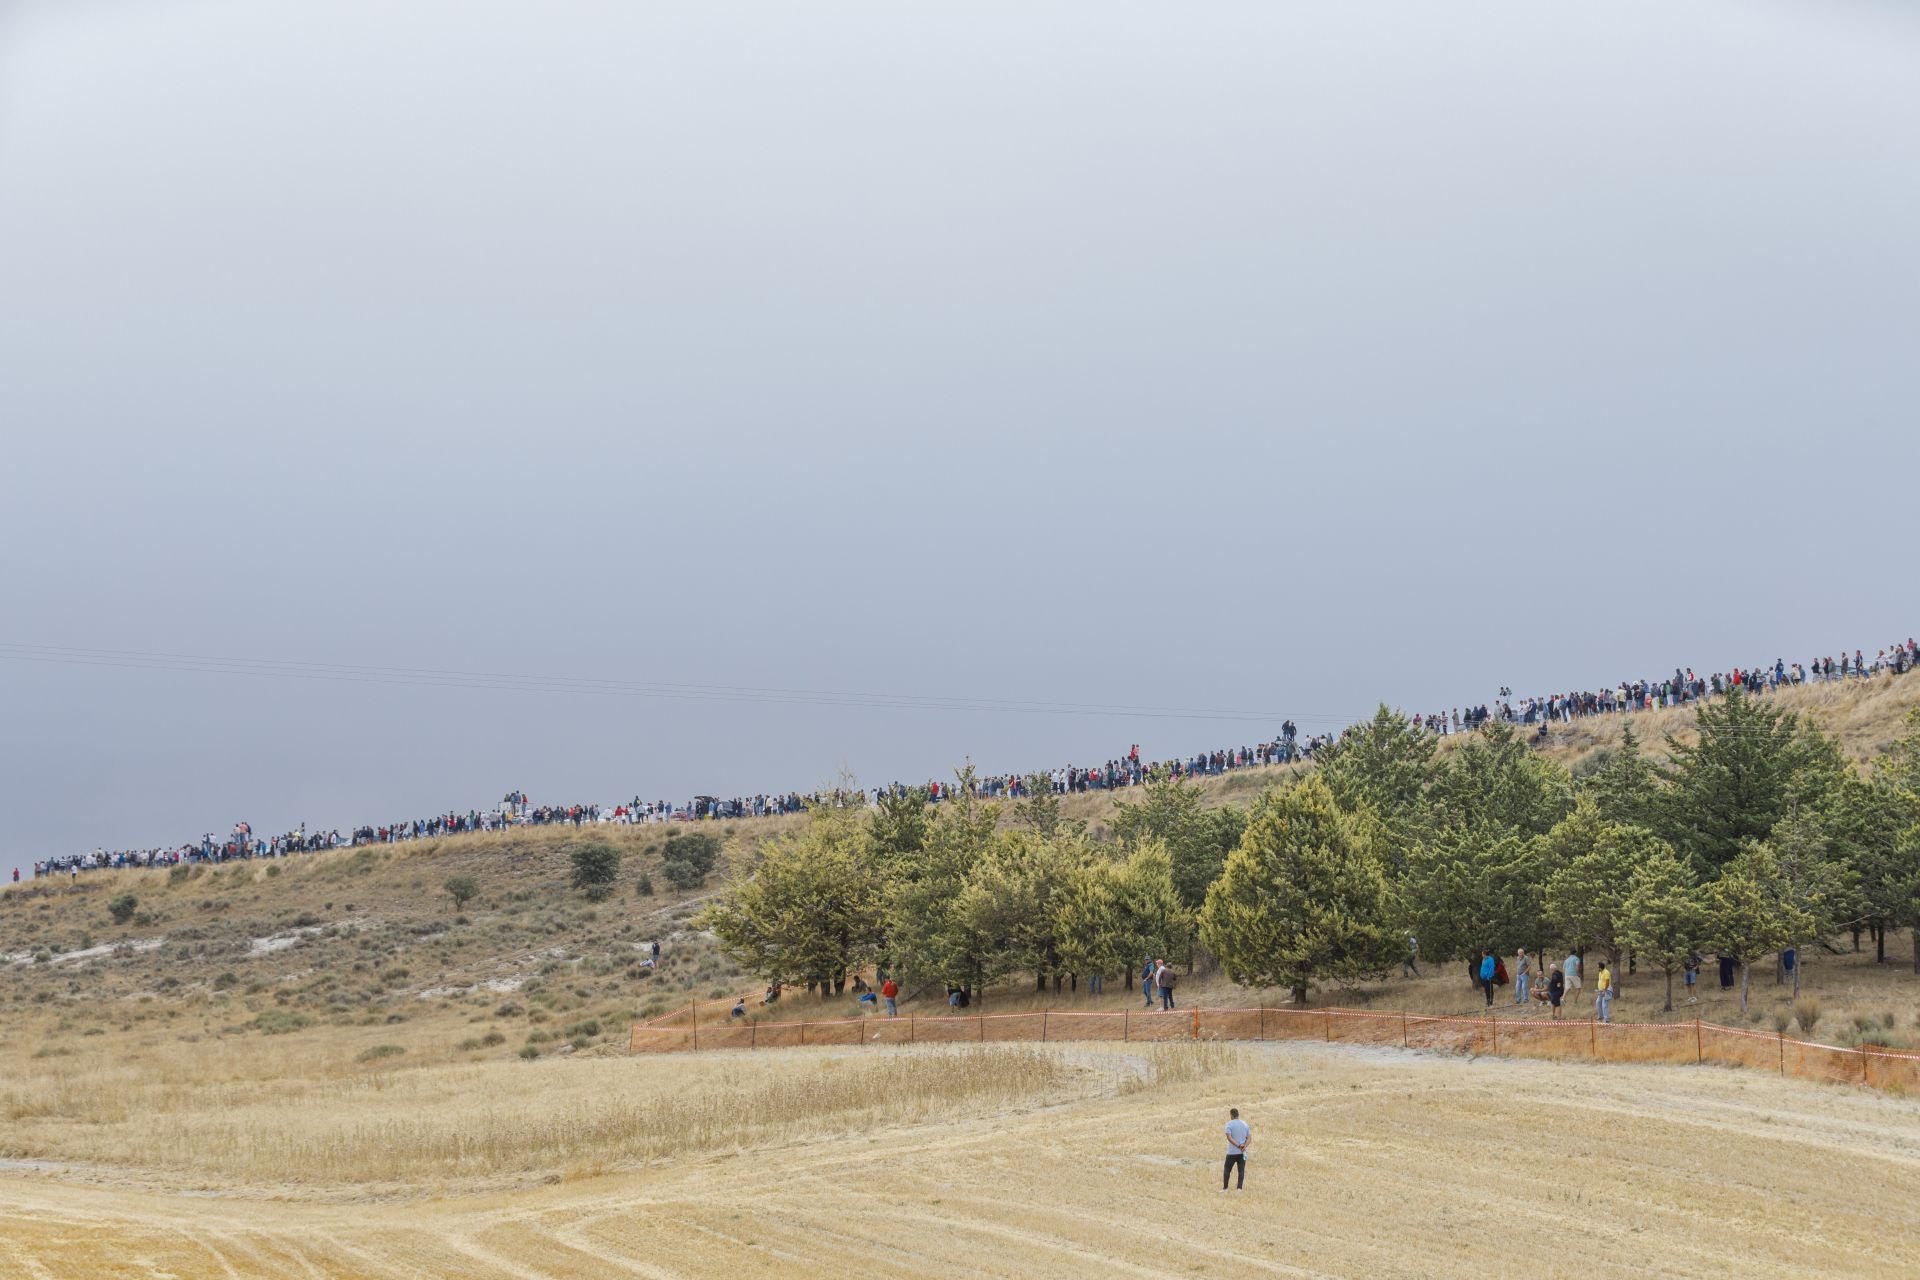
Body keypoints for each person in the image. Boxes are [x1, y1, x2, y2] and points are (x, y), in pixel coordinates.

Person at [1222, 1108, 1251, 1191]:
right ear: (1238, 1114)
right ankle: (1239, 1188)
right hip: (1243, 1152)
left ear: (1231, 1115)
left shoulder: (1229, 1124)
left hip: (1232, 1152)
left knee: (1227, 1170)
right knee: (1241, 1170)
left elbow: (1229, 1138)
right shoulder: (1245, 1124)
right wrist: (1244, 1146)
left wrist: (1238, 1146)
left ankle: (1225, 1188)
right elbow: (1249, 1138)